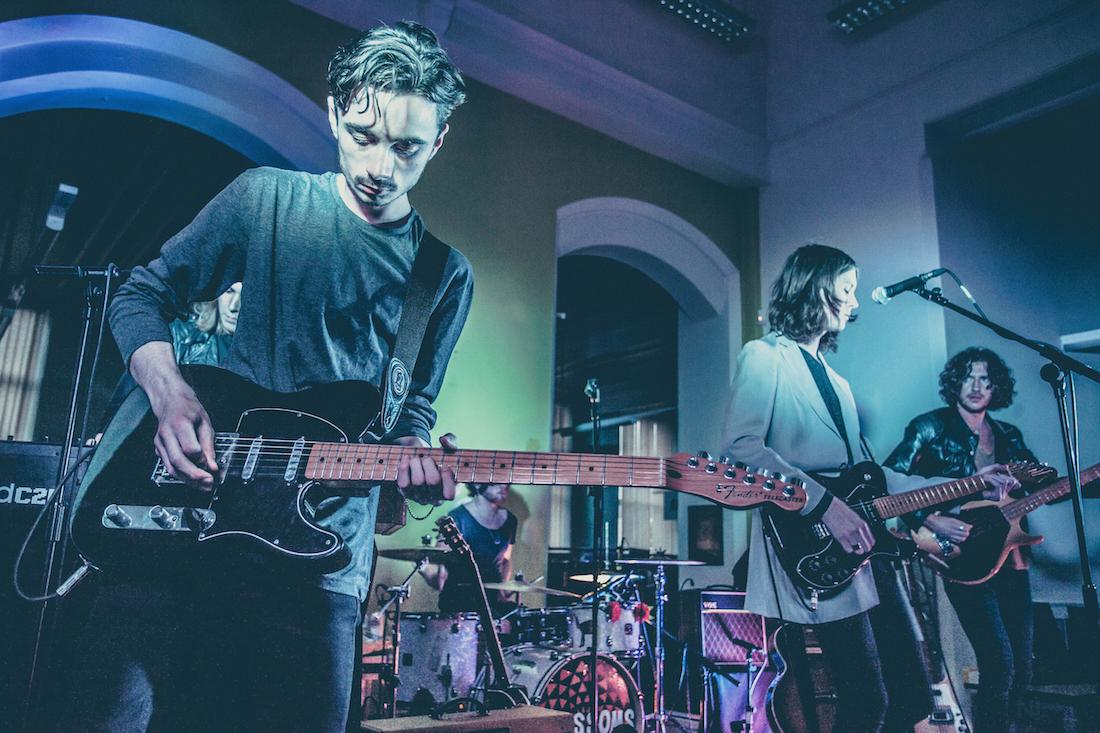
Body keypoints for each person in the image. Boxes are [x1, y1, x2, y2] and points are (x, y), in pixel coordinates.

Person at [64, 21, 473, 733]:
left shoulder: (444, 275)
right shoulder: (265, 199)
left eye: (407, 147)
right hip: (195, 519)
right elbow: (141, 295)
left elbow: (411, 414)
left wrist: (413, 467)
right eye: (363, 135)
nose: (381, 166)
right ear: (333, 111)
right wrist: (170, 394)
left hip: (321, 563)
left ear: (438, 142)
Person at [724, 244, 1019, 733]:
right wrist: (826, 507)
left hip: (867, 546)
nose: (855, 302)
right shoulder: (764, 356)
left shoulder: (837, 383)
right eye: (847, 289)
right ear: (816, 288)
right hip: (811, 544)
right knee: (867, 700)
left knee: (912, 695)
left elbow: (875, 477)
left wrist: (969, 486)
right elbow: (741, 448)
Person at [885, 347, 1039, 732]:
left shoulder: (1009, 435)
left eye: (985, 379)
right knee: (999, 663)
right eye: (968, 377)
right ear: (955, 382)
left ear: (996, 387)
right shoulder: (928, 427)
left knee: (1024, 667)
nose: (976, 386)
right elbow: (888, 480)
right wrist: (930, 519)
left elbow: (1039, 484)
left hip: (1011, 557)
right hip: (964, 557)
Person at [420, 482, 518, 615]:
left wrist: (504, 588)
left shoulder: (511, 520)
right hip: (461, 598)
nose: (504, 487)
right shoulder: (458, 516)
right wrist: (428, 571)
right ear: (477, 484)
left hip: (492, 600)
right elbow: (441, 559)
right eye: (496, 483)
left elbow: (505, 559)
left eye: (507, 483)